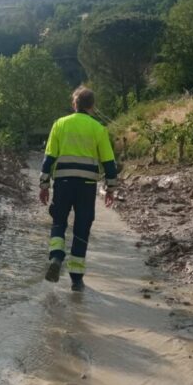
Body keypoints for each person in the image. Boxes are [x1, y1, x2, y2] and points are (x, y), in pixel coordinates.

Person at [39, 86, 118, 292]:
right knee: (82, 228)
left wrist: (44, 185)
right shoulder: (98, 128)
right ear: (92, 106)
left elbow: (49, 159)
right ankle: (76, 279)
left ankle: (56, 257)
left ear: (74, 105)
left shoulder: (60, 124)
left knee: (58, 221)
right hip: (87, 186)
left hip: (63, 183)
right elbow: (109, 163)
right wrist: (110, 189)